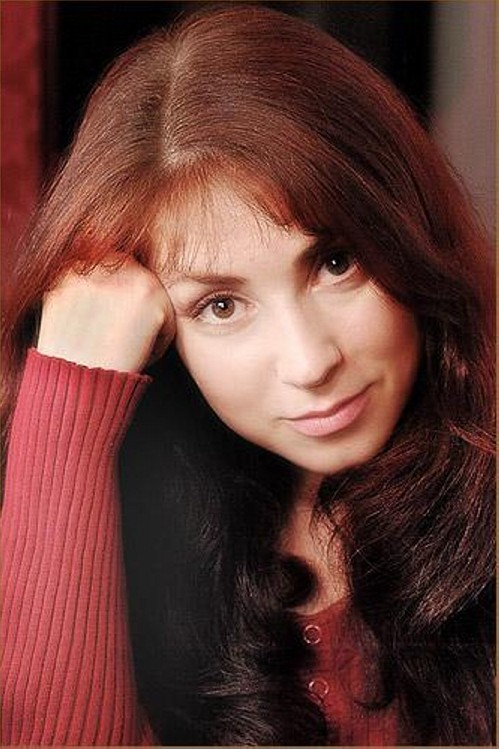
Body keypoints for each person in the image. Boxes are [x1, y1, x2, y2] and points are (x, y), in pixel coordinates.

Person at [1, 5, 495, 746]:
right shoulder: (118, 534)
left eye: (335, 263)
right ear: (158, 340)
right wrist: (72, 392)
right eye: (221, 306)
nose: (310, 361)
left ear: (407, 229)